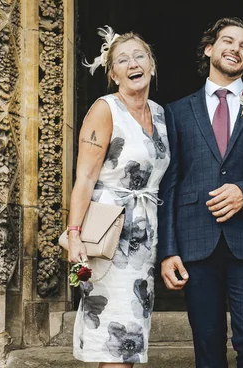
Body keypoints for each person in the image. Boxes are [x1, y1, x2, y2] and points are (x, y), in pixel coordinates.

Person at [156, 17, 243, 368]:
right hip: (196, 244)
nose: (236, 49)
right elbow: (169, 184)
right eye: (228, 41)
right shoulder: (177, 111)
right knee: (207, 348)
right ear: (209, 48)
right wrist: (168, 251)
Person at [67, 26, 170, 366]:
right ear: (113, 73)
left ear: (152, 65)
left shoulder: (160, 114)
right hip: (110, 236)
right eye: (122, 60)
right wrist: (75, 234)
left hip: (144, 238)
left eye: (139, 56)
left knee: (131, 342)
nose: (132, 63)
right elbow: (84, 177)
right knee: (115, 340)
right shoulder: (105, 109)